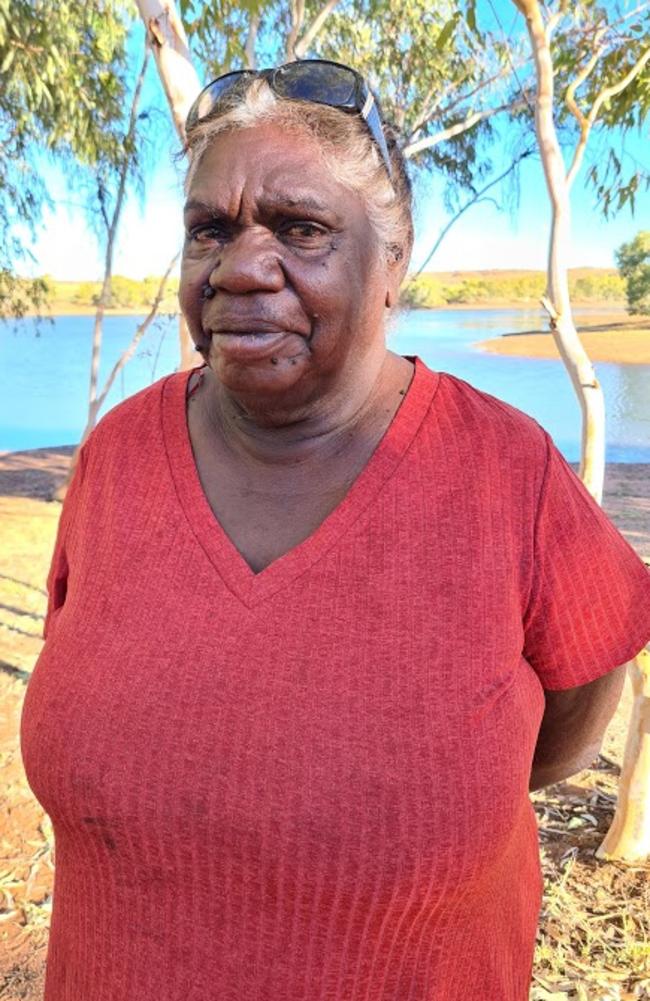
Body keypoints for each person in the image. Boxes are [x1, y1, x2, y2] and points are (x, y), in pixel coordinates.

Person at [20, 59, 650, 1001]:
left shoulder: (505, 469)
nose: (240, 266)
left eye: (301, 227)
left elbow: (574, 704)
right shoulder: (115, 458)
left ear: (392, 262)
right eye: (210, 230)